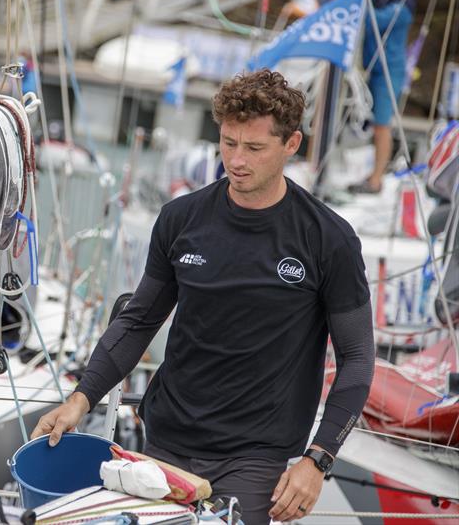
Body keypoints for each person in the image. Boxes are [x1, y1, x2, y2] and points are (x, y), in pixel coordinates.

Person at [31, 69, 375, 525]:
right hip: (167, 439)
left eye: (254, 148)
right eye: (228, 143)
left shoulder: (328, 239)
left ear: (291, 145)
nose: (237, 160)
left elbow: (357, 358)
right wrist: (80, 398)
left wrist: (318, 459)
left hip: (254, 457)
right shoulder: (181, 219)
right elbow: (138, 321)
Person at [348, 0, 417, 194]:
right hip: (372, 67)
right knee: (370, 123)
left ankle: (376, 181)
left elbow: (372, 19)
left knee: (382, 124)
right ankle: (372, 173)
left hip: (390, 71)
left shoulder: (404, 7)